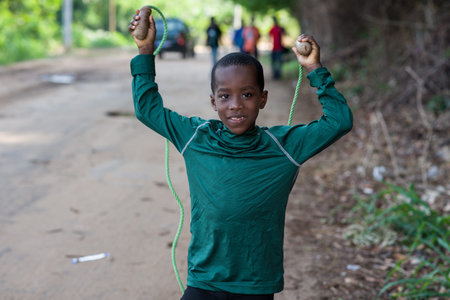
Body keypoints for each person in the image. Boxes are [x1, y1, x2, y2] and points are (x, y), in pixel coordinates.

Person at [129, 8, 353, 300]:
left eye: (247, 94)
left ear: (263, 99)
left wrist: (315, 69)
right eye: (225, 96)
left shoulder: (283, 146)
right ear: (213, 101)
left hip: (255, 286)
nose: (236, 104)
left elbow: (340, 121)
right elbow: (147, 108)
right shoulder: (196, 137)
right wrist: (145, 51)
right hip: (204, 280)